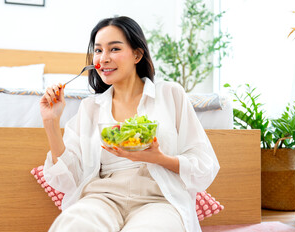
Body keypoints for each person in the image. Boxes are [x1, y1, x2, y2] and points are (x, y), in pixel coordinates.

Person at [40, 16, 220, 232]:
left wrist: (159, 158)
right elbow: (69, 179)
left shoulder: (171, 94)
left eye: (114, 49)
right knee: (74, 225)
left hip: (157, 199)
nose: (103, 59)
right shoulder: (90, 107)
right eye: (98, 51)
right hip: (101, 198)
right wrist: (51, 122)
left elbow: (204, 164)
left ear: (137, 54)